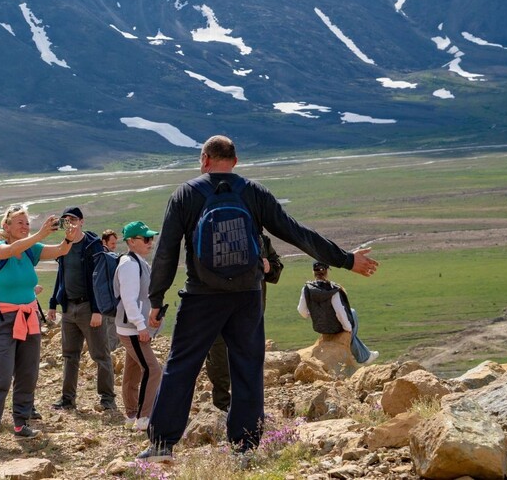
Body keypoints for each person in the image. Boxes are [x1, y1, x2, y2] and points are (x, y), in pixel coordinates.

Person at [139, 135, 379, 462]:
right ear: (235, 162)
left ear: (204, 160)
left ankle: (161, 446)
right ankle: (245, 447)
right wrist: (346, 260)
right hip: (246, 295)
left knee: (182, 365)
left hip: (201, 296)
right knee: (248, 367)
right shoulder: (253, 193)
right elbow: (297, 233)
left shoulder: (186, 194)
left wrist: (156, 299)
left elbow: (166, 251)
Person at [0, 205, 79, 450]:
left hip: (29, 319)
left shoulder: (30, 250)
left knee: (27, 374)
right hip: (4, 320)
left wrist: (68, 236)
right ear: (6, 227)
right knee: (0, 376)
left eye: (27, 223)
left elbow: (60, 251)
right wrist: (39, 235)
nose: (25, 226)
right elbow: (13, 249)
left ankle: (20, 423)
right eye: (20, 223)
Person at [47, 207, 116, 411]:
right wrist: (53, 303)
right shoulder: (64, 246)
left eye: (73, 219)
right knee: (69, 355)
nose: (70, 223)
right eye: (66, 220)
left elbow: (99, 280)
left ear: (82, 221)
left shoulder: (93, 246)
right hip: (68, 307)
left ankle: (107, 399)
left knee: (100, 355)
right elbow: (61, 275)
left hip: (88, 307)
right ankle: (68, 399)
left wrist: (97, 310)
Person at [205, 235, 284, 412]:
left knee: (248, 359)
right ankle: (222, 406)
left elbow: (275, 269)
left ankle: (248, 408)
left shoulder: (261, 239)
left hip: (249, 312)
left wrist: (269, 267)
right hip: (217, 308)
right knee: (219, 359)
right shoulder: (215, 234)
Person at [114, 221, 163, 432]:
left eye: (151, 238)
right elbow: (128, 299)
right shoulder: (129, 264)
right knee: (153, 369)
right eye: (146, 239)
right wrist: (141, 326)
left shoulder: (138, 261)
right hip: (132, 328)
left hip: (133, 327)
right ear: (131, 242)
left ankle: (132, 413)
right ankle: (143, 417)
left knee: (133, 370)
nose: (150, 242)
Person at [298, 262, 379, 364]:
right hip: (335, 328)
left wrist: (313, 315)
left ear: (313, 272)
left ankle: (365, 354)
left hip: (319, 327)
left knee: (350, 322)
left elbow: (301, 310)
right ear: (327, 272)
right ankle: (364, 357)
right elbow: (340, 312)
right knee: (352, 313)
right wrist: (348, 328)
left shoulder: (306, 288)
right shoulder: (332, 290)